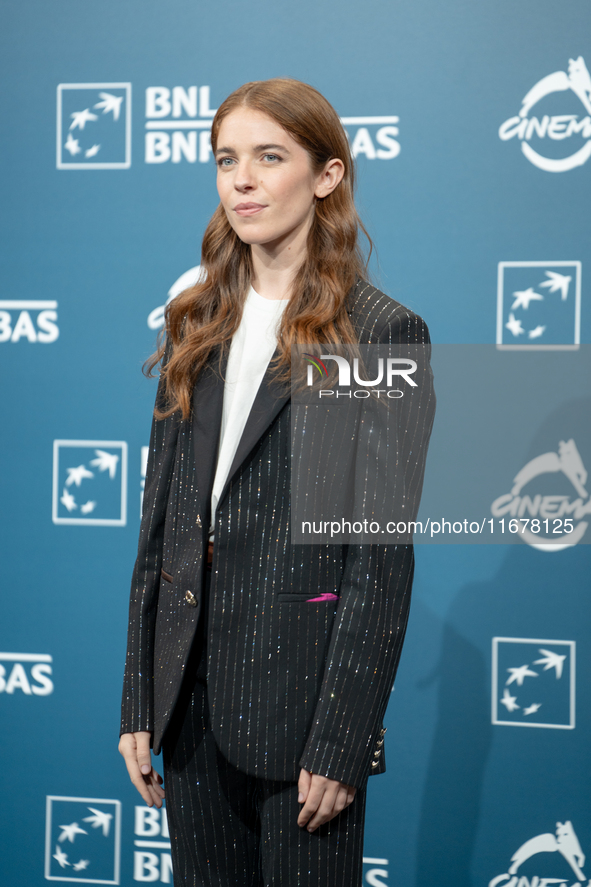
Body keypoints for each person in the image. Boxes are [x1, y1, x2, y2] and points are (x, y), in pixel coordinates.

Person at [119, 77, 435, 886]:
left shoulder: (380, 331)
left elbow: (378, 558)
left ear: (326, 175)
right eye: (227, 159)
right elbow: (161, 524)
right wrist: (139, 700)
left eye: (269, 156)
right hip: (187, 710)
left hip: (303, 726)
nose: (242, 180)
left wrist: (342, 740)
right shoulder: (193, 319)